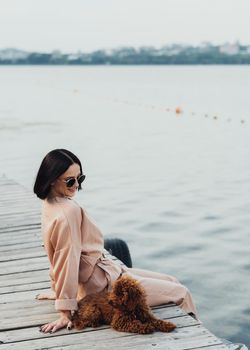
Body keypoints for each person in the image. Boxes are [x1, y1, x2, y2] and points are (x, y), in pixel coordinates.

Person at [34, 148, 199, 334]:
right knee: (182, 293)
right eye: (70, 181)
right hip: (103, 286)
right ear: (53, 179)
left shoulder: (49, 203)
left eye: (80, 179)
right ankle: (202, 341)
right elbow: (66, 258)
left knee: (172, 280)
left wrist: (57, 290)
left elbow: (54, 252)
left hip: (107, 273)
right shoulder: (68, 212)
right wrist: (65, 309)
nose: (76, 186)